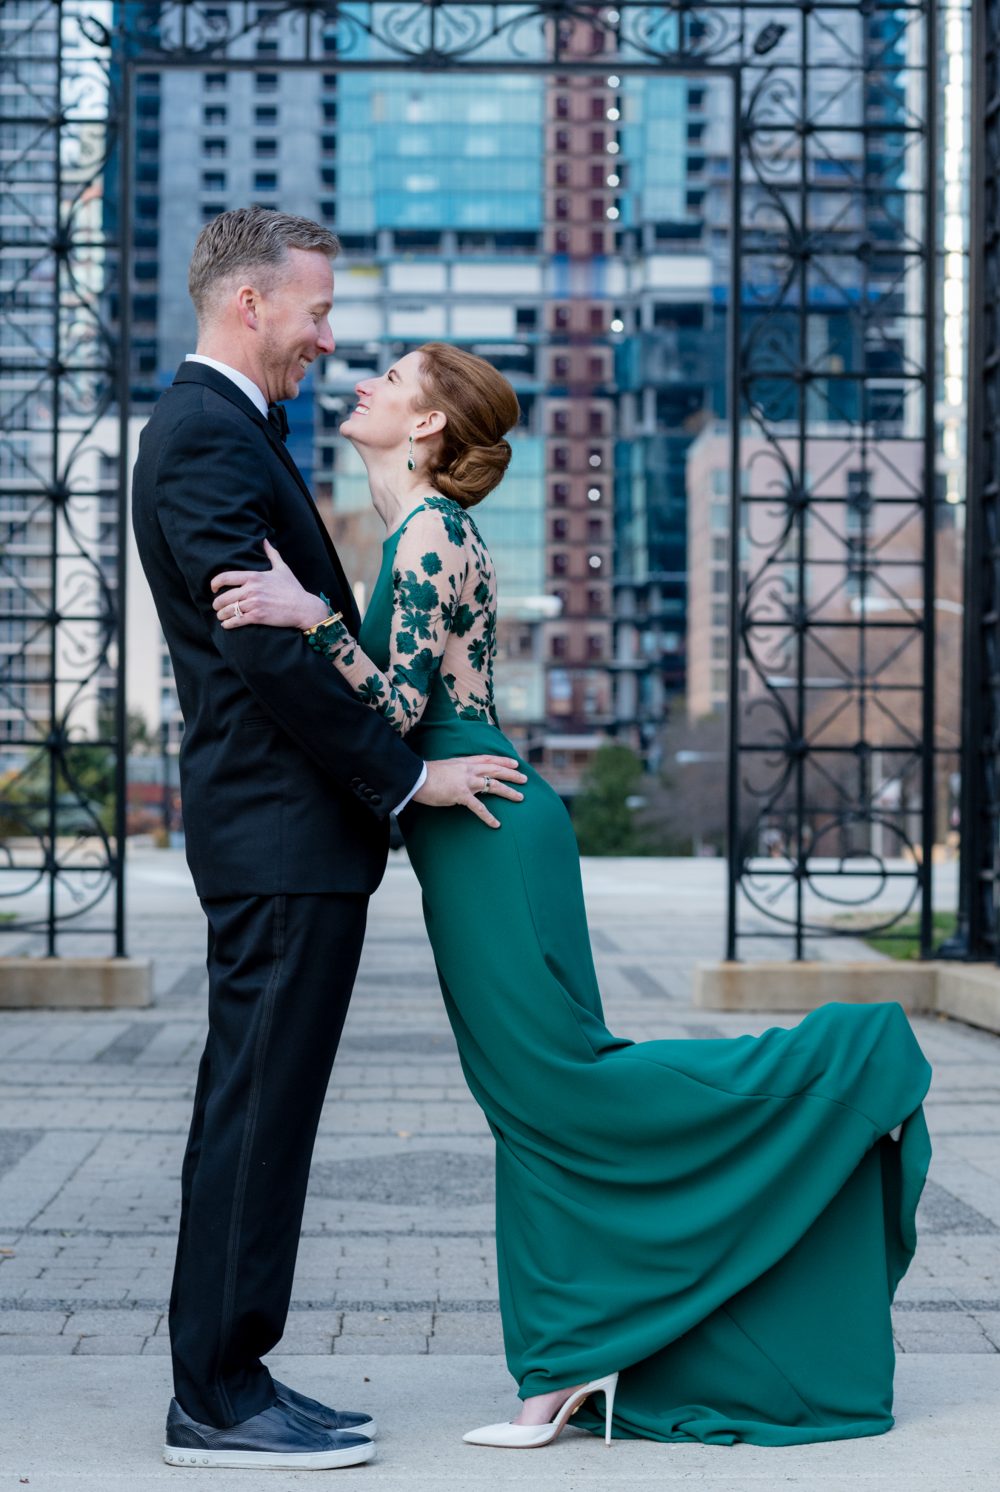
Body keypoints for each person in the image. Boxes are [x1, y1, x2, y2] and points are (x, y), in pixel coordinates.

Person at [211, 341, 933, 1452]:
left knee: (562, 1084)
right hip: (469, 829)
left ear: (427, 428)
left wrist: (306, 613)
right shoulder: (415, 535)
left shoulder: (434, 533)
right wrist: (316, 611)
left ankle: (849, 1061)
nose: (363, 380)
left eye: (392, 378)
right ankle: (556, 1364)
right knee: (534, 1108)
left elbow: (399, 709)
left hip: (486, 824)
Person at [131, 210, 526, 1473]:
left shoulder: (231, 433)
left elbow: (292, 637)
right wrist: (405, 780)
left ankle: (236, 1371)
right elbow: (265, 654)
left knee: (264, 1110)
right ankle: (218, 1398)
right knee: (256, 1111)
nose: (327, 335)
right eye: (316, 309)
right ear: (251, 305)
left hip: (287, 834)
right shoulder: (204, 440)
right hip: (280, 832)